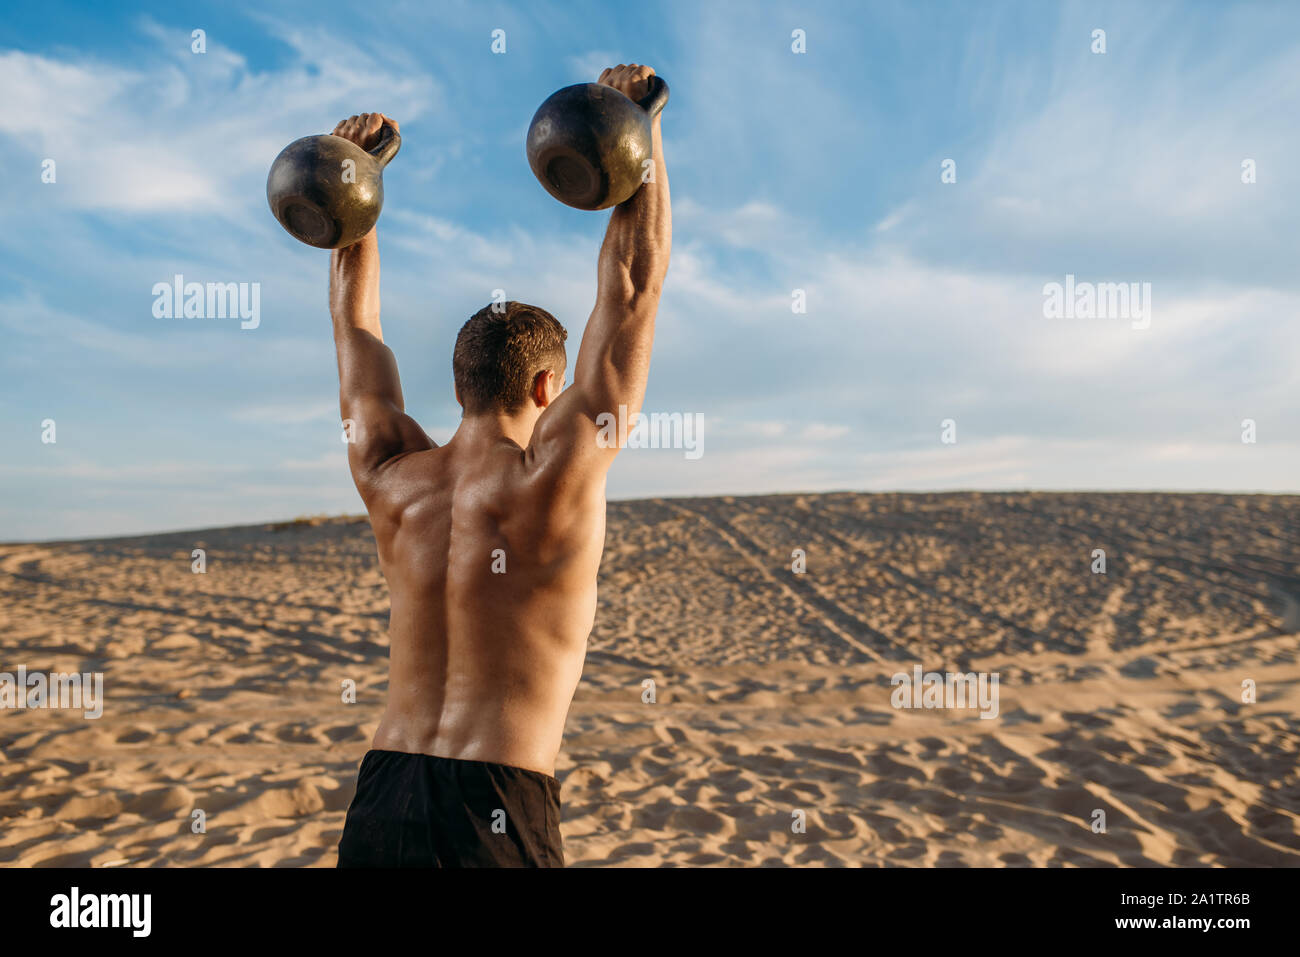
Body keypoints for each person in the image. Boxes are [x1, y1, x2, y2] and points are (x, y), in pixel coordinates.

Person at [332, 64, 670, 867]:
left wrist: (355, 195)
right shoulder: (553, 480)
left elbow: (355, 331)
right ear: (549, 386)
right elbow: (633, 287)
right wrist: (640, 133)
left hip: (382, 798)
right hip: (494, 807)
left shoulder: (390, 475)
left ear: (455, 385)